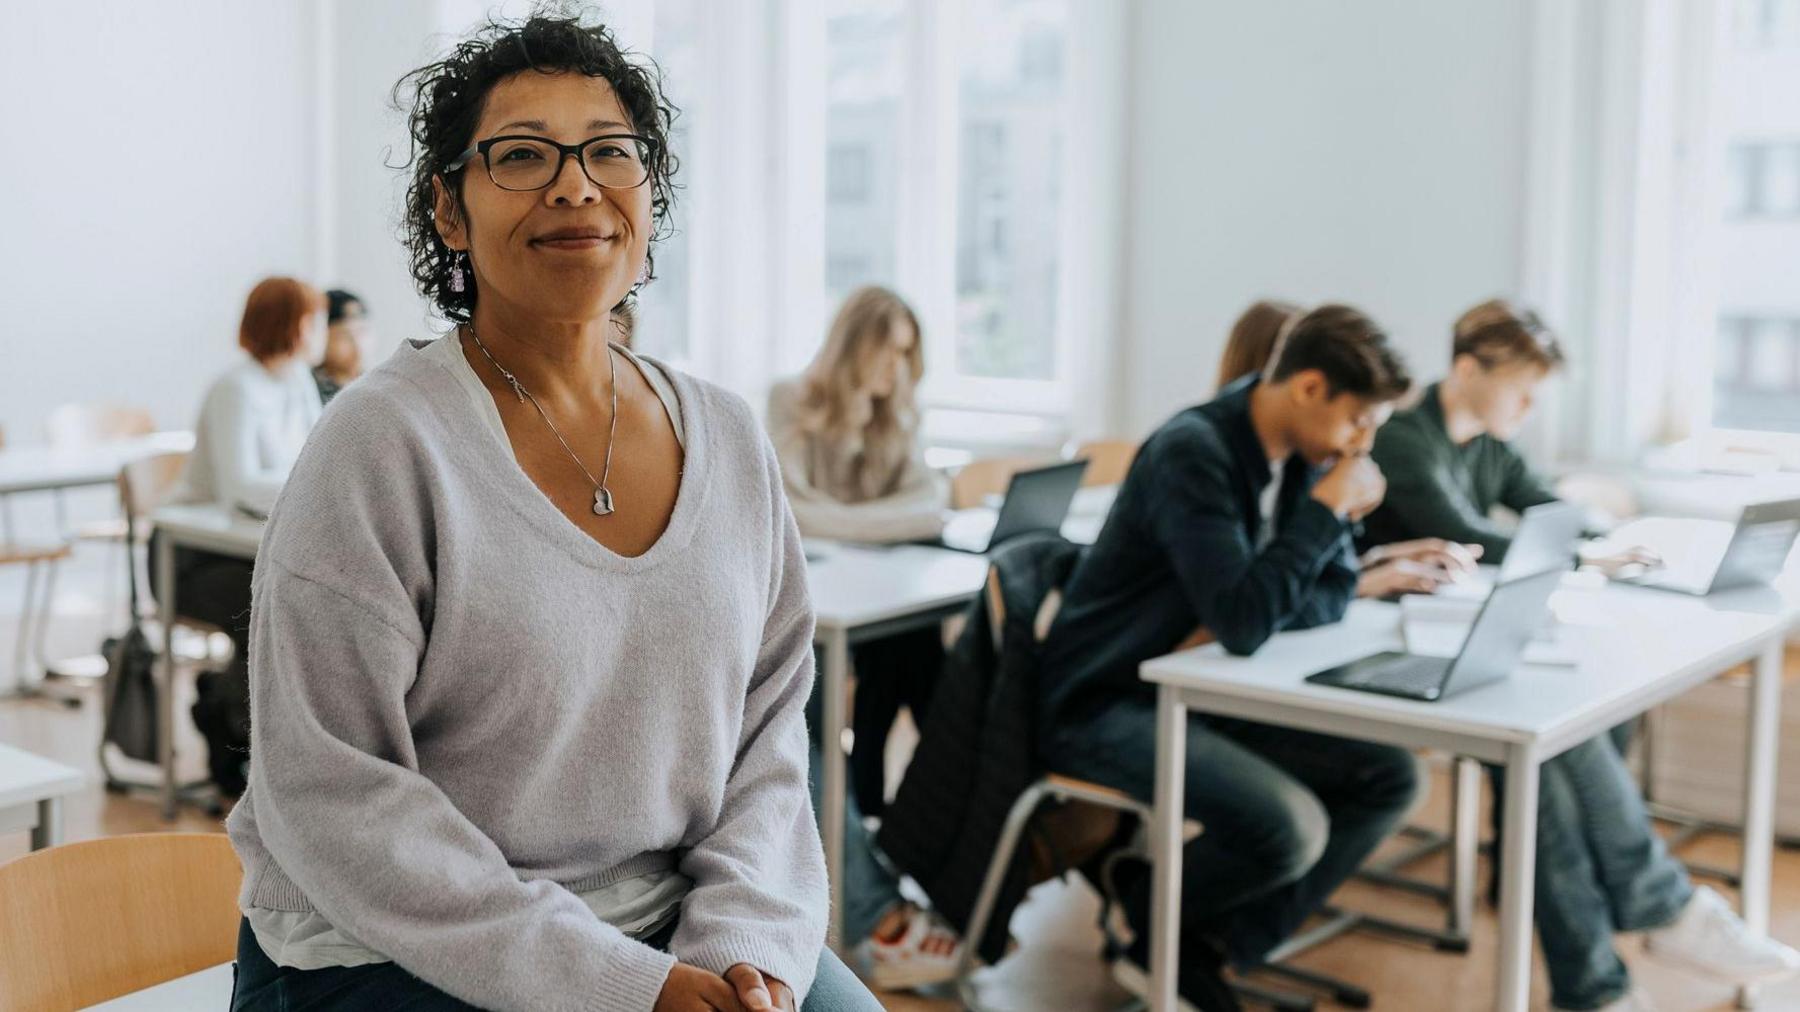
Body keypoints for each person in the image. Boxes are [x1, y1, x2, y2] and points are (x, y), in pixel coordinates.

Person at [224, 13, 878, 1012]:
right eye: (522, 156)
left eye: (609, 151)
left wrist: (747, 946)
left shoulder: (734, 440)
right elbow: (332, 795)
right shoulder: (380, 446)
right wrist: (624, 986)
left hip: (668, 922)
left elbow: (769, 736)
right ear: (449, 209)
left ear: (648, 190)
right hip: (391, 943)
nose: (575, 184)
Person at [1360, 300, 1800, 1012]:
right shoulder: (1408, 440)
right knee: (1562, 741)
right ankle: (1657, 915)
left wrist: (1599, 533)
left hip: (1455, 642)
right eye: (1521, 387)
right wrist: (1587, 548)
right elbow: (1467, 533)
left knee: (1556, 765)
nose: (1530, 406)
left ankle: (1598, 985)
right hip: (1382, 653)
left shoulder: (1488, 446)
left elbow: (1546, 507)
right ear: (1468, 369)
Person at [1039, 305, 1423, 1009]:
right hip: (1106, 700)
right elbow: (1248, 618)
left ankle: (1197, 943)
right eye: (1360, 420)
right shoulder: (1196, 451)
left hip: (1203, 688)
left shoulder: (1304, 456)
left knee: (1388, 776)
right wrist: (1326, 512)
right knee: (1290, 826)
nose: (1364, 444)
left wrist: (1308, 538)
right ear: (1308, 388)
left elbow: (1328, 593)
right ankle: (1154, 914)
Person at [767, 285, 961, 990]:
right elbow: (788, 513)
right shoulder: (791, 400)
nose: (899, 371)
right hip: (802, 615)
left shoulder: (893, 417)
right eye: (892, 351)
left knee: (941, 676)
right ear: (858, 344)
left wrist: (846, 518)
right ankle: (876, 906)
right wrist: (887, 518)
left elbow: (933, 503)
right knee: (803, 721)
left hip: (873, 609)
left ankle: (924, 864)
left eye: (911, 356)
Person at [153, 276, 326, 796]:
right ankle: (232, 722)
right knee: (272, 605)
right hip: (189, 557)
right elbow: (239, 485)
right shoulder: (236, 388)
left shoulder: (297, 381)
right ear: (290, 324)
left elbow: (317, 460)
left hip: (253, 545)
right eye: (313, 319)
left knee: (315, 598)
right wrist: (312, 495)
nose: (321, 331)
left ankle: (232, 711)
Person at [1216, 298, 1482, 598]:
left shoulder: (1300, 463)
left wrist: (1378, 560)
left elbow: (1309, 577)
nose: (1363, 444)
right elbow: (1260, 598)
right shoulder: (1211, 461)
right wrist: (1330, 513)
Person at [312, 289, 368, 405]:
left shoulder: (375, 384)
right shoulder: (309, 390)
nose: (358, 345)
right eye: (344, 336)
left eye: (362, 332)